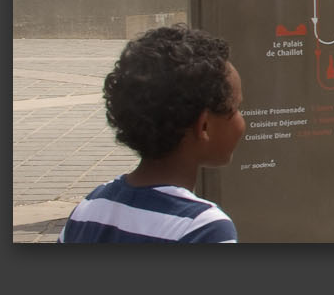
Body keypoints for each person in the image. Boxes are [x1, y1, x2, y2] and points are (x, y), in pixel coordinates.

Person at [60, 25, 244, 243]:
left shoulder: (91, 207)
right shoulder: (203, 228)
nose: (242, 119)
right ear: (204, 126)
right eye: (236, 108)